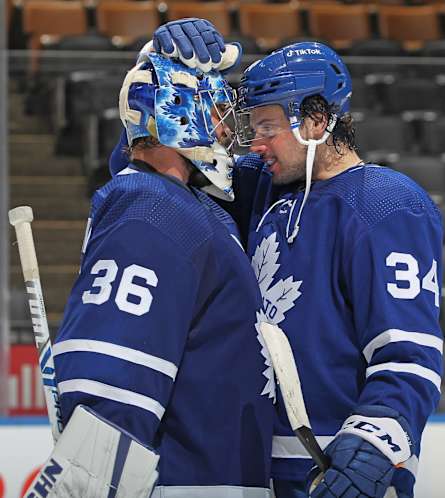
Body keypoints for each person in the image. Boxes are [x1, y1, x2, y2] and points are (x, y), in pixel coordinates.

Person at [151, 24, 444, 498]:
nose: (255, 142)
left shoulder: (388, 206)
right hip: (254, 467)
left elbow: (409, 354)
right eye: (254, 126)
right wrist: (157, 76)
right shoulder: (261, 188)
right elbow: (157, 179)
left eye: (268, 126)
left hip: (336, 463)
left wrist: (371, 447)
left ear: (315, 121)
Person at [25, 51, 274, 498]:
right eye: (215, 112)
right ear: (178, 116)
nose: (223, 129)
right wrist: (88, 480)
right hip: (187, 483)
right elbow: (114, 374)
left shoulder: (185, 205)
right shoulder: (153, 207)